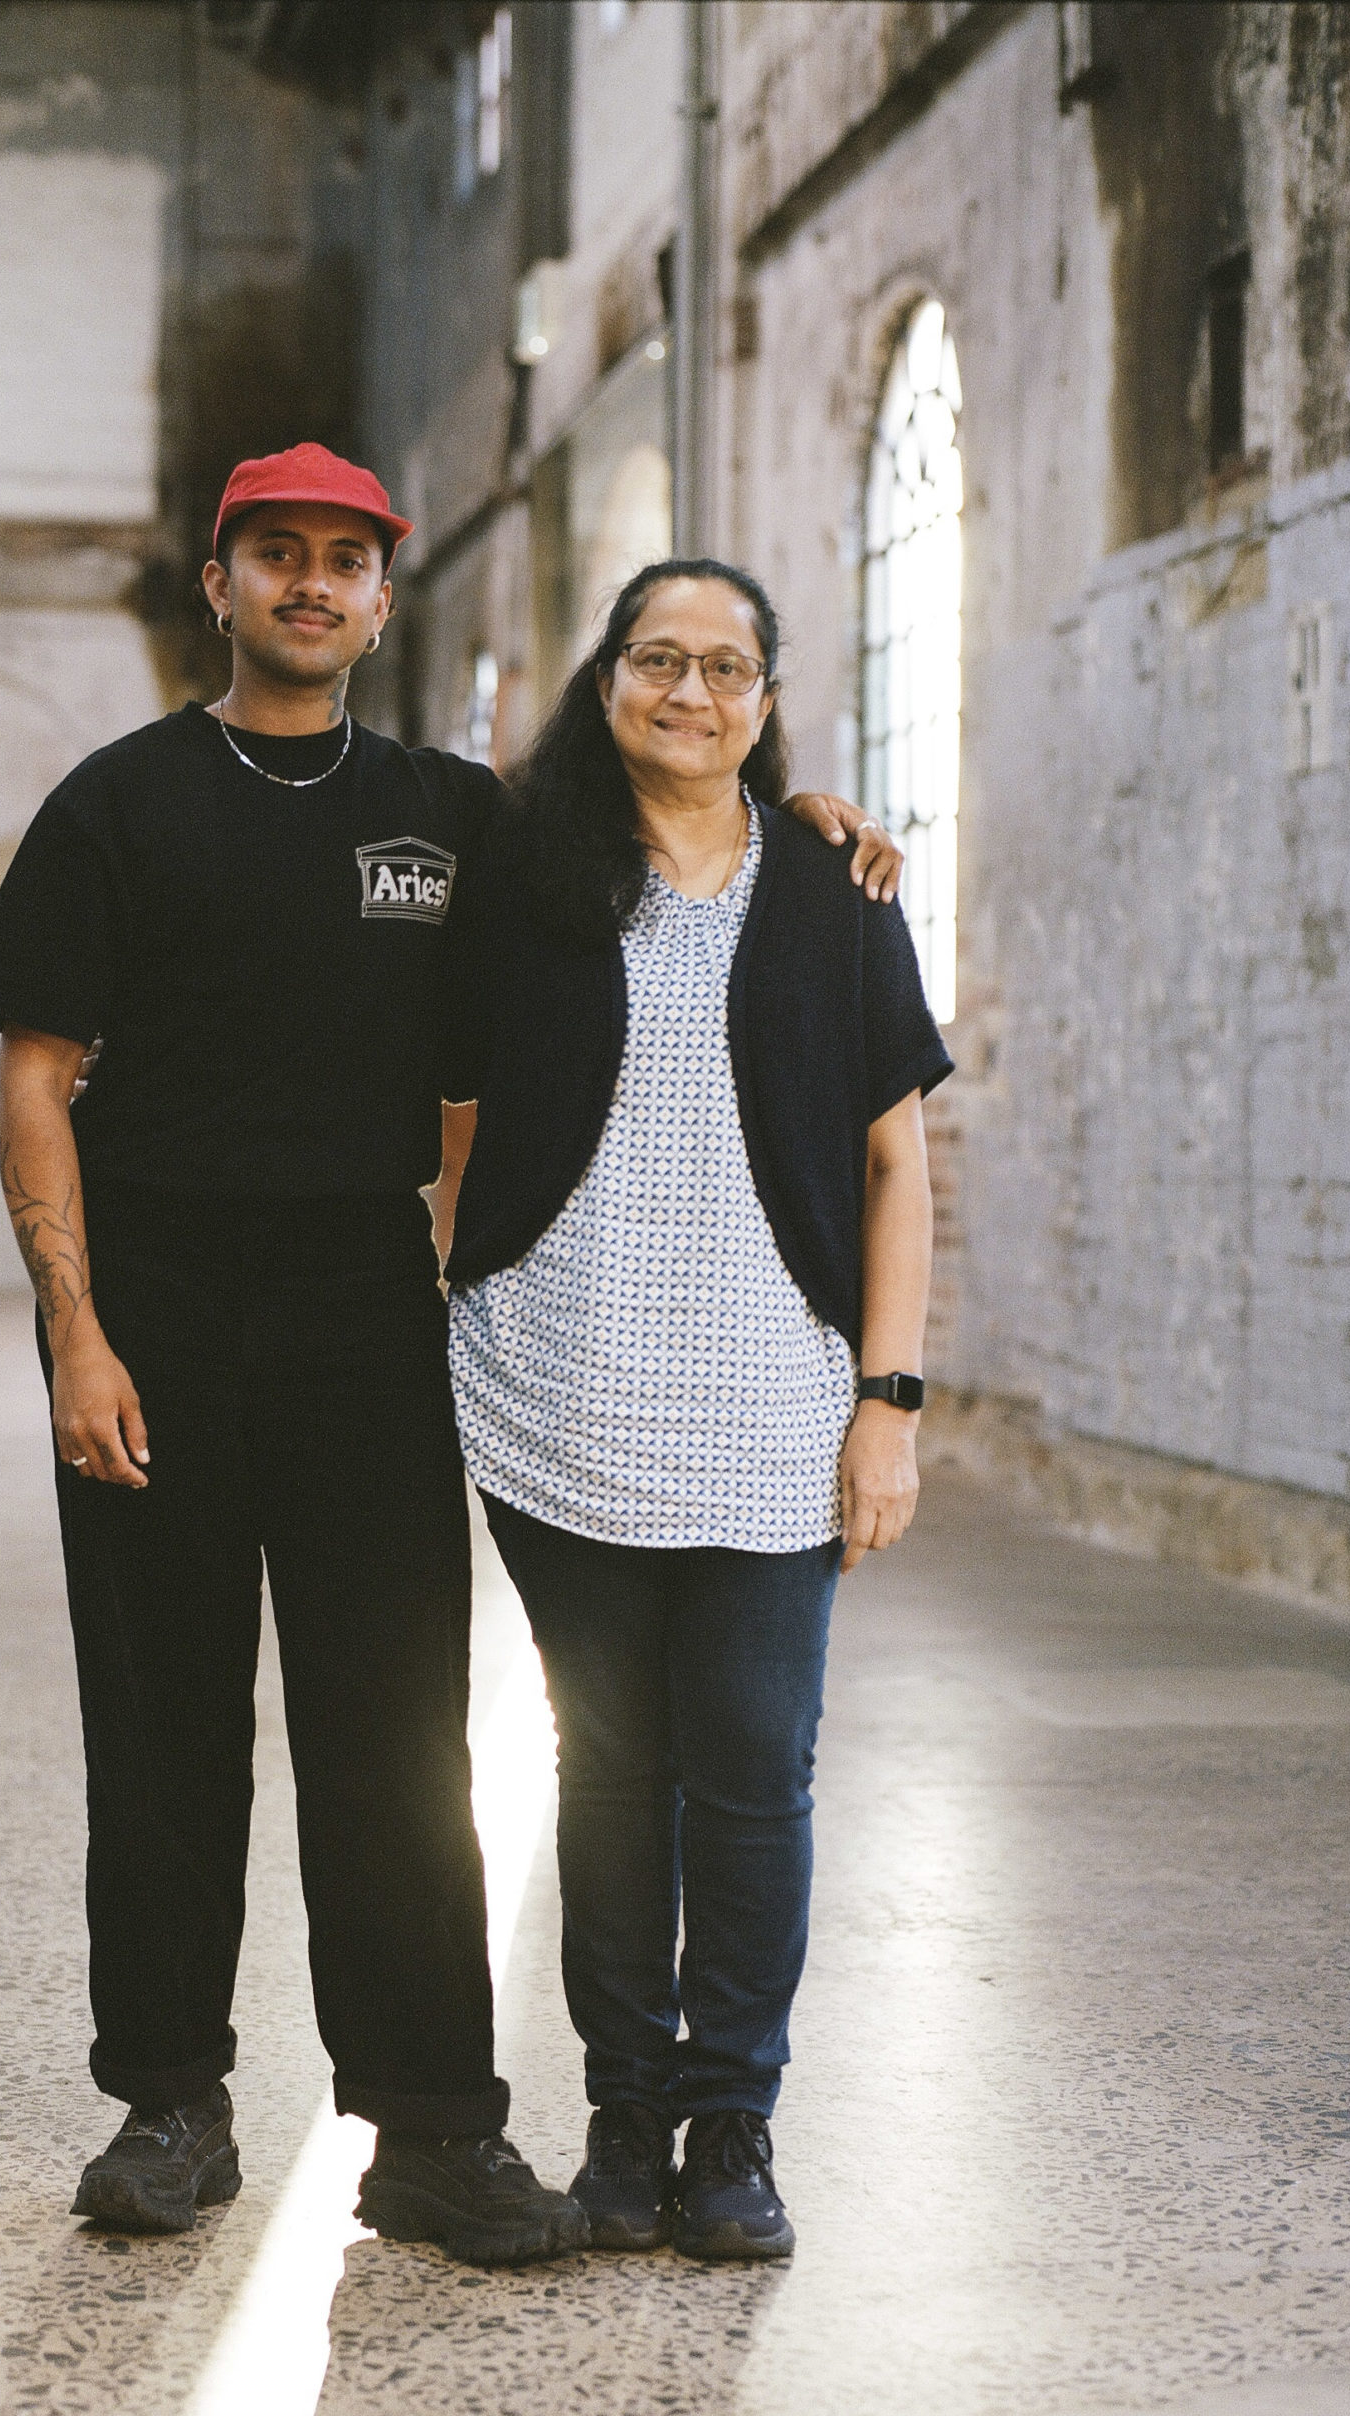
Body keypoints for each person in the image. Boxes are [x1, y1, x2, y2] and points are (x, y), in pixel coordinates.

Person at [0, 445, 902, 2268]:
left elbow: (669, 814)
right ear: (217, 585)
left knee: (397, 1732)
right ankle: (171, 2103)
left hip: (367, 1303)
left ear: (385, 599)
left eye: (344, 562)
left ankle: (432, 2134)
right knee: (161, 1726)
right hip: (152, 1292)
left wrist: (822, 815)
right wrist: (74, 1332)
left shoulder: (458, 817)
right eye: (275, 557)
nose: (311, 586)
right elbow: (33, 1076)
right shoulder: (118, 804)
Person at [443, 556, 951, 2262]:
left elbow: (896, 1162)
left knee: (752, 1772)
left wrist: (887, 1399)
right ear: (608, 683)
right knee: (609, 1770)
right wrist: (458, 1267)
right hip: (563, 1390)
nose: (691, 691)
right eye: (658, 659)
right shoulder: (532, 874)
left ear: (768, 695)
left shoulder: (834, 889)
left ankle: (732, 2123)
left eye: (728, 666)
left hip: (772, 1407)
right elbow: (454, 1098)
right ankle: (624, 2112)